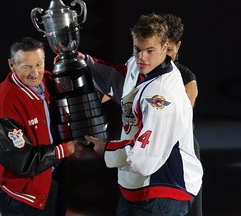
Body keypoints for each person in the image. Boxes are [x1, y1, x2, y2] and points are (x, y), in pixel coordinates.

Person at [80, 13, 203, 215]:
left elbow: (144, 158)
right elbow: (120, 83)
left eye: (149, 50)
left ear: (165, 48)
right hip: (138, 189)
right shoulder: (139, 66)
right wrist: (82, 62)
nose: (141, 57)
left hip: (163, 191)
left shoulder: (162, 96)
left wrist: (106, 148)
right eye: (137, 49)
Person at [0, 37, 83, 216]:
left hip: (50, 184)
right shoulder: (5, 105)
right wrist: (64, 150)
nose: (34, 73)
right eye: (26, 67)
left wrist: (80, 64)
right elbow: (21, 161)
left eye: (38, 64)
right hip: (24, 198)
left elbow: (78, 96)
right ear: (11, 65)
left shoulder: (46, 81)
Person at [163, 13, 202, 216]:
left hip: (180, 152)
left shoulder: (186, 77)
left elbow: (181, 116)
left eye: (170, 49)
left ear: (178, 46)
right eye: (162, 48)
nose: (165, 55)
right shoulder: (143, 70)